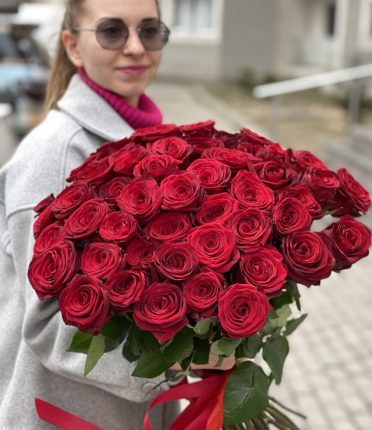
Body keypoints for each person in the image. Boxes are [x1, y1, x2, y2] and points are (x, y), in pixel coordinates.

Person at [0, 0, 233, 428]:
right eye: (112, 31)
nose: (135, 47)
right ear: (73, 46)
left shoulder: (146, 140)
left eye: (149, 30)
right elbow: (47, 324)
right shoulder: (55, 153)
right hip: (64, 414)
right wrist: (177, 360)